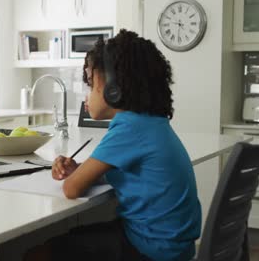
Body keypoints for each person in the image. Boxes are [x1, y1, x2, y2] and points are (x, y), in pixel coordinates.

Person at [25, 30, 201, 261]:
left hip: (151, 250)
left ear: (113, 89)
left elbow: (71, 189)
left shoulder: (130, 127)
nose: (87, 95)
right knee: (76, 236)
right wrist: (79, 170)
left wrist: (76, 177)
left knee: (39, 253)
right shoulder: (149, 122)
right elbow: (122, 175)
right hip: (172, 246)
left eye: (90, 84)